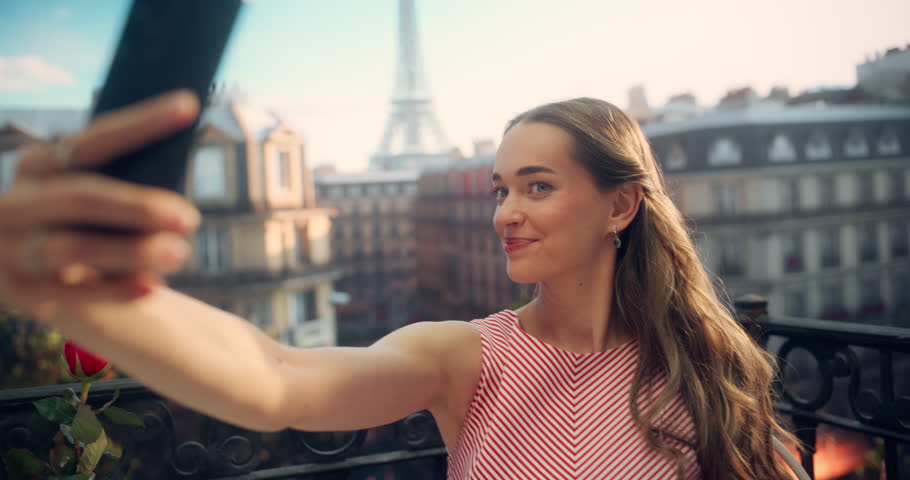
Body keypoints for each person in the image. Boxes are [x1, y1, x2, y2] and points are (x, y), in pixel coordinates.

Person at [0, 91, 798, 479]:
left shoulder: (704, 366)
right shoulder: (469, 356)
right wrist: (83, 296)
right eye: (498, 189)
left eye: (537, 187)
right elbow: (278, 379)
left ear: (621, 203)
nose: (505, 214)